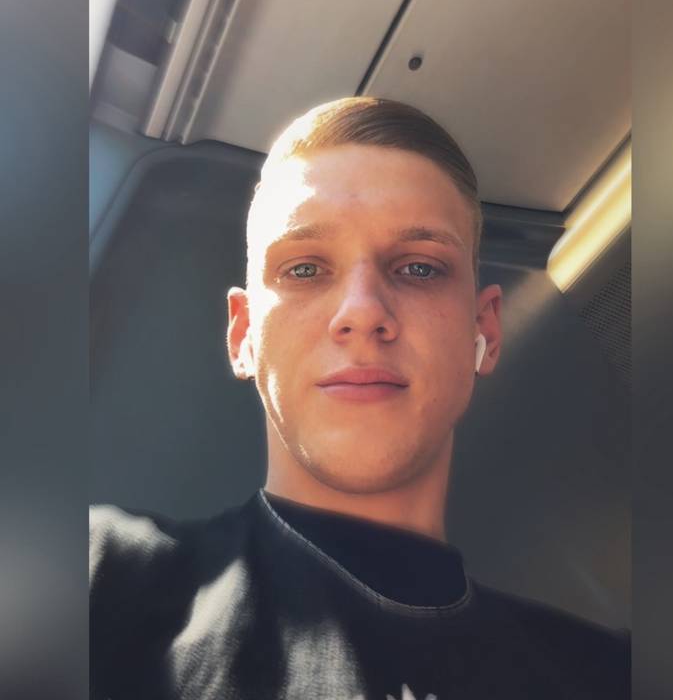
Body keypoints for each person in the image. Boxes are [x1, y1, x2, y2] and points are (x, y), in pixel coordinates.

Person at [90, 97, 629, 699]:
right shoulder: (97, 582)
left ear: (484, 331)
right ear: (243, 336)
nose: (363, 311)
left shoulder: (613, 676)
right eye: (304, 269)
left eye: (420, 268)